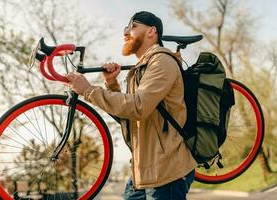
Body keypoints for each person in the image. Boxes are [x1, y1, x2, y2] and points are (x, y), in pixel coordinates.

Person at [66, 11, 197, 200]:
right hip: (142, 171)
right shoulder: (141, 68)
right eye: (126, 28)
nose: (126, 32)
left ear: (152, 31)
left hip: (166, 173)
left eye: (133, 26)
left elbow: (138, 107)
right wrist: (112, 84)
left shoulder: (162, 61)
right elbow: (131, 116)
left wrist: (89, 90)